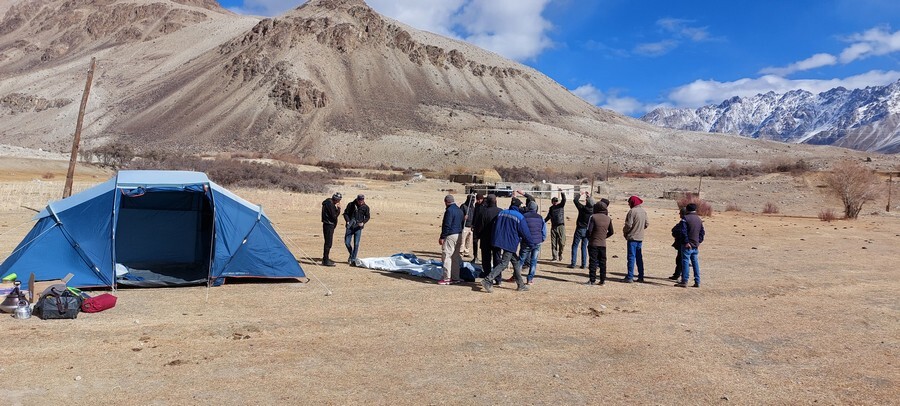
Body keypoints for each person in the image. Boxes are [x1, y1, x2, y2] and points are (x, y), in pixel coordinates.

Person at [480, 201, 540, 293]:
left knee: (515, 262)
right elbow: (525, 232)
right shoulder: (519, 216)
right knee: (504, 264)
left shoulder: (502, 213)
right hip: (510, 242)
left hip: (499, 240)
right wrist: (531, 243)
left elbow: (496, 225)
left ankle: (520, 284)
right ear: (518, 207)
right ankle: (487, 280)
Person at [676, 203, 705, 288]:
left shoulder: (685, 219)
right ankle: (697, 281)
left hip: (687, 246)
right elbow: (702, 232)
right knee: (695, 263)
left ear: (687, 210)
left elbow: (683, 231)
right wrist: (698, 242)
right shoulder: (699, 219)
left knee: (685, 262)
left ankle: (684, 281)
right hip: (695, 245)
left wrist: (686, 242)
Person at [473, 194, 502, 281]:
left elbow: (479, 226)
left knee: (486, 260)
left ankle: (487, 276)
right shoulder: (501, 211)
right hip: (497, 239)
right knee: (497, 259)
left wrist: (477, 236)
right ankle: (498, 278)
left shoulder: (484, 212)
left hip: (485, 239)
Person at [585, 201, 614, 285]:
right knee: (602, 262)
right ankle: (602, 280)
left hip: (593, 243)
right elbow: (611, 232)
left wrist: (590, 239)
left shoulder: (593, 217)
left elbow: (589, 231)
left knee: (593, 262)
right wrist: (603, 237)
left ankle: (592, 280)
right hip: (602, 244)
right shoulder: (608, 218)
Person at [438, 195, 464, 285]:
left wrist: (442, 237)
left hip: (451, 235)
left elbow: (447, 224)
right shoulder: (459, 210)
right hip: (459, 234)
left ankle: (447, 278)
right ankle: (456, 277)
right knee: (456, 257)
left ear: (446, 202)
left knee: (447, 256)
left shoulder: (449, 211)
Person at [519, 200, 546, 285]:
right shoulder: (540, 217)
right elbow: (544, 230)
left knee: (521, 259)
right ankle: (530, 279)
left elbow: (521, 229)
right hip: (537, 242)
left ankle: (517, 276)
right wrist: (542, 239)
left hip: (526, 241)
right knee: (533, 261)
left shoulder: (523, 216)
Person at [568, 191, 594, 269]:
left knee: (575, 246)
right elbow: (594, 203)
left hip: (579, 229)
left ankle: (573, 263)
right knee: (584, 247)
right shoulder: (593, 210)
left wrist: (580, 194)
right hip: (587, 230)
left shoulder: (582, 208)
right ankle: (583, 264)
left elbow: (575, 200)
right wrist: (589, 197)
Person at [343, 194, 370, 265]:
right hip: (350, 226)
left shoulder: (366, 207)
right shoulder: (351, 205)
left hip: (358, 228)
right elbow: (345, 213)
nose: (361, 202)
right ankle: (352, 254)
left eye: (362, 200)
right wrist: (348, 221)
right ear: (357, 199)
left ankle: (353, 259)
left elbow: (367, 217)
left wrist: (363, 223)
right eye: (359, 200)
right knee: (347, 242)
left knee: (356, 244)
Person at [544, 189, 566, 261]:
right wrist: (543, 222)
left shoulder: (561, 206)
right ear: (552, 202)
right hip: (553, 227)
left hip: (561, 226)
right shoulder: (551, 208)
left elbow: (564, 200)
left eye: (556, 201)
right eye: (554, 201)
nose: (556, 202)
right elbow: (548, 217)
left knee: (562, 242)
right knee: (553, 243)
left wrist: (562, 192)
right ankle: (554, 256)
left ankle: (560, 254)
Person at [320, 192, 342, 266]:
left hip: (328, 224)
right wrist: (338, 209)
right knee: (328, 243)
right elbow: (334, 216)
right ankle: (325, 260)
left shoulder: (328, 203)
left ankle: (325, 258)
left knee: (328, 242)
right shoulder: (330, 204)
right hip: (329, 224)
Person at [668, 208, 688, 280]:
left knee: (681, 260)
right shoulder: (684, 222)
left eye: (680, 213)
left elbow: (675, 230)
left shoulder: (684, 222)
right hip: (685, 243)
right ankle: (677, 274)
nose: (679, 214)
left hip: (683, 243)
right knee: (679, 260)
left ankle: (681, 276)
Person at [469, 193, 484, 262]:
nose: (478, 201)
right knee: (475, 242)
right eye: (477, 200)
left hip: (483, 227)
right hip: (476, 226)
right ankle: (475, 256)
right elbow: (475, 215)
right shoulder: (476, 205)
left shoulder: (486, 206)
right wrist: (472, 224)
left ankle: (484, 258)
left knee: (483, 244)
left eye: (479, 200)